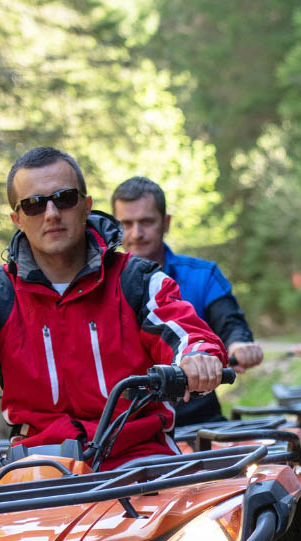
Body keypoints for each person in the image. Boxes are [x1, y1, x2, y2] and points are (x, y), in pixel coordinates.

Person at [0, 147, 226, 469]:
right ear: (17, 218)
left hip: (139, 461)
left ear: (85, 206)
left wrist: (198, 358)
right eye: (34, 204)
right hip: (37, 468)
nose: (51, 213)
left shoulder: (137, 281)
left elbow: (186, 332)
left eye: (63, 198)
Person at [111, 175, 262, 424]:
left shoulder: (203, 276)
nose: (136, 233)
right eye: (126, 224)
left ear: (166, 223)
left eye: (146, 222)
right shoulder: (99, 286)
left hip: (198, 419)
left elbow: (230, 324)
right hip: (126, 428)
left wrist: (238, 345)